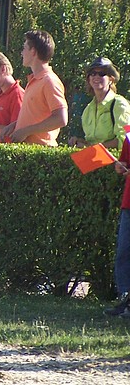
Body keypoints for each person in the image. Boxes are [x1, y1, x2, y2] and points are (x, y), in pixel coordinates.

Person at [1, 30, 67, 145]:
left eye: (24, 48)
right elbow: (36, 115)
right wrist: (15, 125)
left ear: (33, 51)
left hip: (41, 152)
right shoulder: (34, 80)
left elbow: (61, 119)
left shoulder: (49, 81)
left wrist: (26, 131)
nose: (21, 53)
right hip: (30, 151)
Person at [68, 57, 130, 149]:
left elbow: (125, 140)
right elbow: (91, 141)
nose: (96, 76)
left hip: (115, 162)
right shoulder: (88, 110)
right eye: (92, 73)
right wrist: (79, 141)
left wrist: (91, 148)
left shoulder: (119, 104)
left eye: (102, 74)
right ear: (89, 79)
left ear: (111, 80)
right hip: (92, 162)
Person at [105, 138, 130, 318]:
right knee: (123, 252)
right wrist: (120, 166)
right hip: (128, 204)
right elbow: (124, 162)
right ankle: (125, 300)